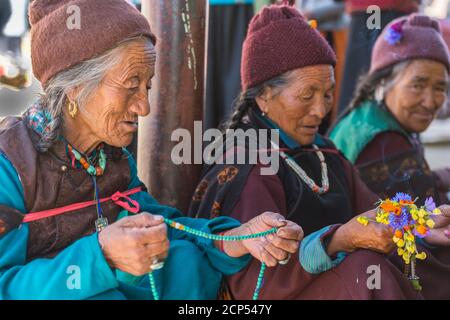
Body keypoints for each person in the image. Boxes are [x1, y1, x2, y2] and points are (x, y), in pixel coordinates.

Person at [0, 0, 302, 300]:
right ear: (75, 87)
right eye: (131, 85)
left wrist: (232, 238)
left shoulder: (111, 159)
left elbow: (159, 223)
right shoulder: (10, 167)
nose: (143, 108)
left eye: (146, 87)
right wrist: (101, 255)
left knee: (183, 261)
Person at [188, 5, 450, 300]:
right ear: (263, 96)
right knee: (366, 272)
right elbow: (255, 285)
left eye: (327, 94)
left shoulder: (325, 153)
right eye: (306, 95)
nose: (320, 110)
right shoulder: (249, 165)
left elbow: (374, 211)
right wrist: (339, 242)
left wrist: (420, 223)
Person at [330, 14, 450, 204]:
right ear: (384, 82)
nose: (430, 102)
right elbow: (427, 220)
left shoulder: (370, 115)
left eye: (440, 88)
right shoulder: (384, 142)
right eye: (417, 85)